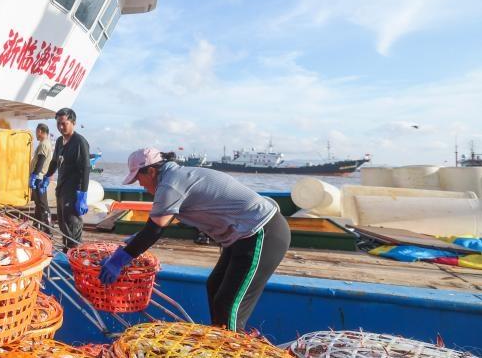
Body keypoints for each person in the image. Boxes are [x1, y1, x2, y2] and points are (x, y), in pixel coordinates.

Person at [99, 148, 290, 332]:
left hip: (262, 232)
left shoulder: (170, 184)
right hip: (242, 236)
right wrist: (136, 241)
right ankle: (220, 343)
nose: (139, 184)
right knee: (214, 286)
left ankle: (232, 349)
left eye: (138, 178)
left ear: (151, 170)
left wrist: (120, 259)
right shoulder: (174, 177)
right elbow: (165, 221)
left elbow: (154, 230)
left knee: (229, 306)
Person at [41, 108, 91, 251]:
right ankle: (67, 251)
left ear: (73, 123)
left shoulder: (79, 142)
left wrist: (83, 194)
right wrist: (47, 176)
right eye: (58, 124)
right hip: (62, 189)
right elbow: (54, 161)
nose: (61, 127)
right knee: (63, 223)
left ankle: (75, 253)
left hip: (74, 191)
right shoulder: (59, 141)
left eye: (64, 123)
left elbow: (86, 168)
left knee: (72, 224)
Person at [28, 123, 54, 232]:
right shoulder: (47, 143)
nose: (36, 135)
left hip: (39, 178)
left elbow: (41, 161)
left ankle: (48, 230)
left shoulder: (43, 144)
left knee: (42, 204)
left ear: (40, 131)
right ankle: (36, 226)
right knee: (38, 204)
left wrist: (34, 175)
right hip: (40, 177)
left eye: (36, 132)